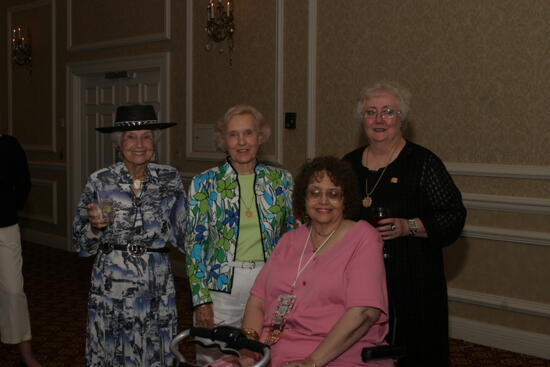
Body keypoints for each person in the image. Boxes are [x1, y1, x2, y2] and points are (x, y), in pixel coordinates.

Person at [342, 81, 467, 367]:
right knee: (358, 350)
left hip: (413, 278)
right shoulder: (347, 165)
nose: (379, 119)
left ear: (402, 119)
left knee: (412, 352)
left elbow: (453, 215)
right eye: (371, 112)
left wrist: (407, 226)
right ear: (362, 119)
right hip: (358, 279)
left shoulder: (422, 163)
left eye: (388, 111)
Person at [236, 156, 392, 367]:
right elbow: (257, 301)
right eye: (315, 192)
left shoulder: (364, 237)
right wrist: (249, 348)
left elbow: (364, 313)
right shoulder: (290, 240)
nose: (323, 200)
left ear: (346, 199)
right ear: (304, 197)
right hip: (270, 352)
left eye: (333, 193)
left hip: (336, 355)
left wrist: (311, 362)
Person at [72, 105, 187, 367]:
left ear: (154, 142)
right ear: (118, 143)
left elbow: (184, 235)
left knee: (155, 354)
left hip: (156, 286)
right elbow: (81, 244)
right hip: (112, 287)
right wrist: (94, 228)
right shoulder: (100, 181)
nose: (139, 144)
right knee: (113, 354)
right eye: (131, 137)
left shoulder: (168, 178)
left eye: (146, 136)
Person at [185, 104, 294, 363]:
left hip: (269, 285)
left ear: (260, 136)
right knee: (215, 359)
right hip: (219, 289)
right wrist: (201, 300)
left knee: (263, 357)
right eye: (233, 135)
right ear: (223, 140)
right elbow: (195, 245)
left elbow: (292, 237)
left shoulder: (281, 181)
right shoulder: (204, 183)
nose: (242, 142)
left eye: (248, 133)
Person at [0, 134, 42, 367]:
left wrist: (7, 208)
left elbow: (23, 183)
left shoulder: (8, 145)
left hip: (4, 226)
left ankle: (25, 352)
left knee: (14, 291)